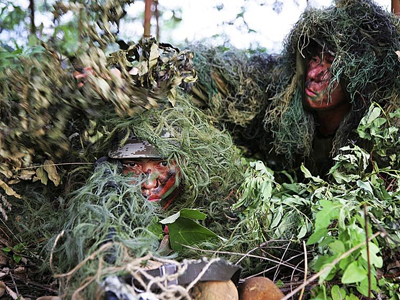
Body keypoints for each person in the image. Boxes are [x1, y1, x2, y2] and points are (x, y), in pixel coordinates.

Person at [262, 0, 400, 177]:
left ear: (353, 82)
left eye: (330, 65)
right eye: (314, 59)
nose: (313, 74)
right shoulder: (280, 111)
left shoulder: (378, 140)